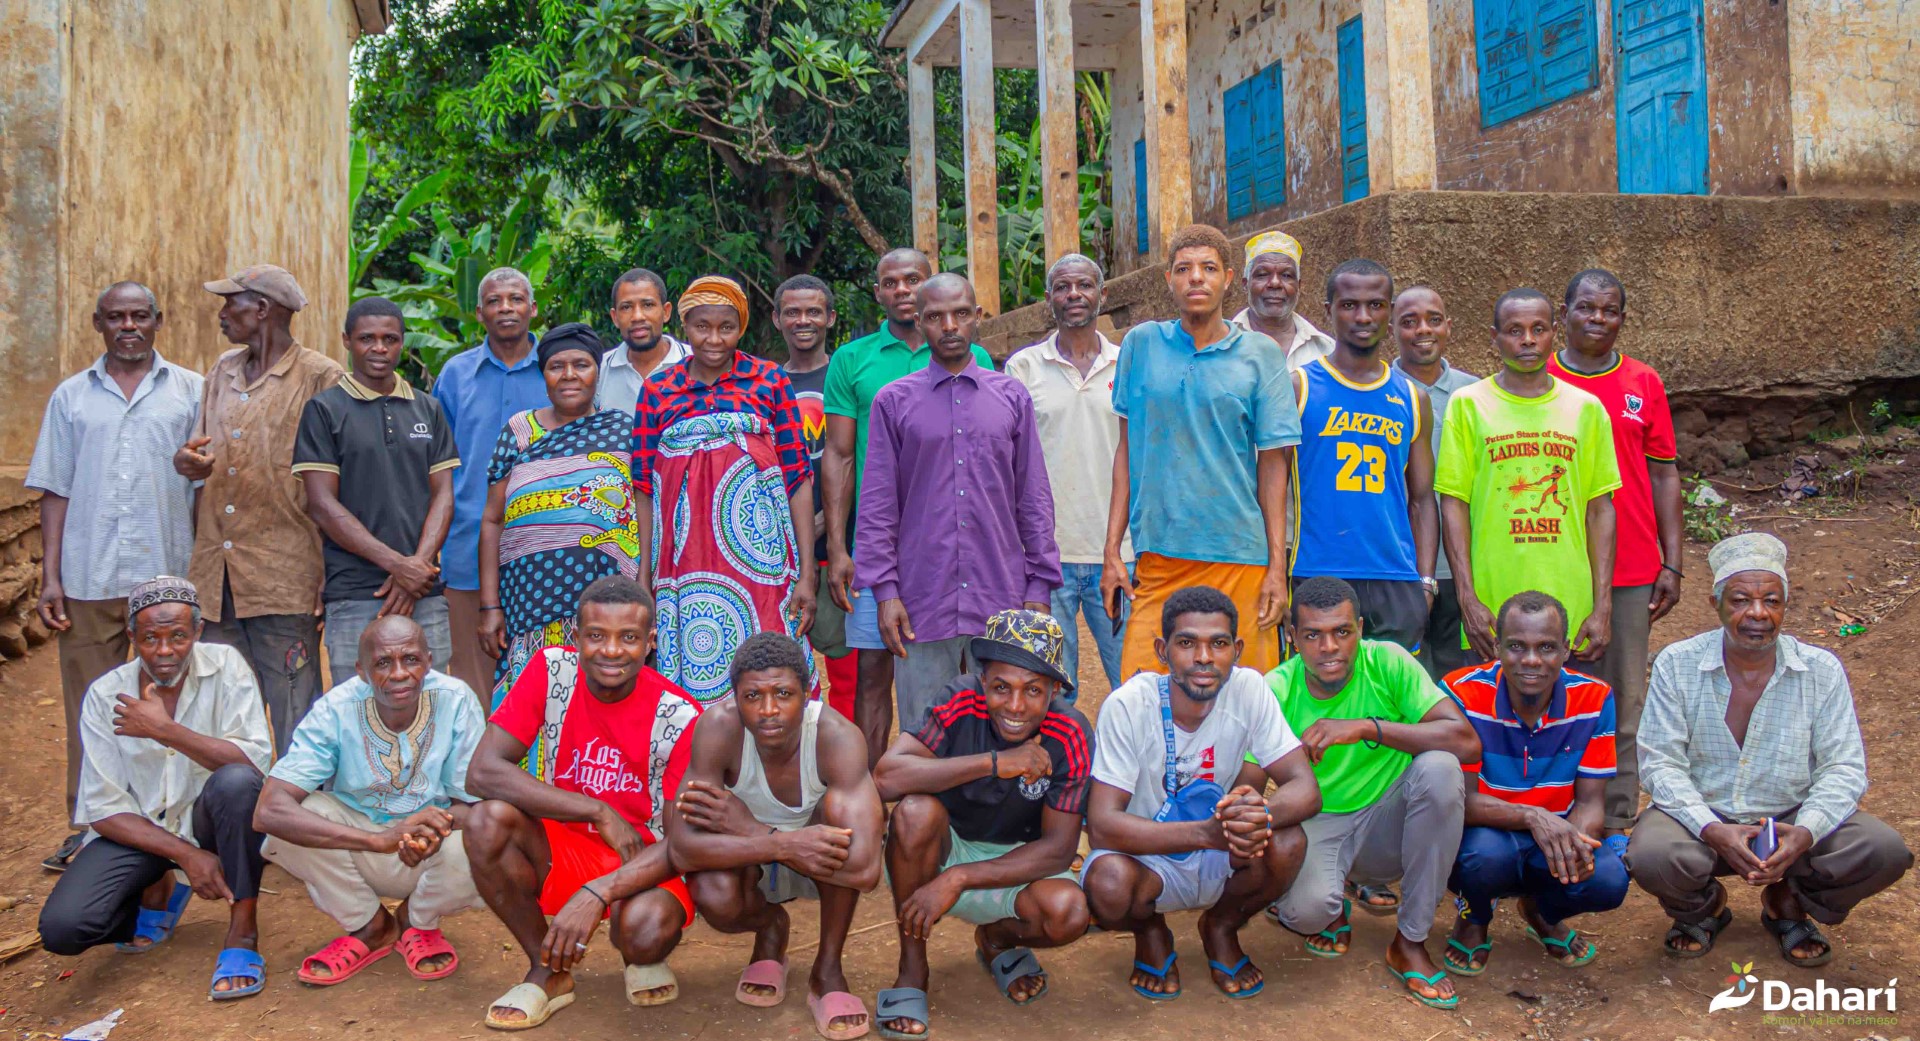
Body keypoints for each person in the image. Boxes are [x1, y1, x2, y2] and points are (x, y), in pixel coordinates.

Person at [1633, 533, 1913, 968]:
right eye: (1741, 600)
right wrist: (1710, 828)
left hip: (1791, 817)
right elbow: (1660, 762)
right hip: (1704, 819)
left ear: (1785, 607)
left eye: (1771, 601)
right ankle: (1703, 907)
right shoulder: (1678, 663)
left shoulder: (1820, 670)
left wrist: (1808, 831)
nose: (1758, 613)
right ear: (1715, 604)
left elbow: (1844, 768)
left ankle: (1789, 901)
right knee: (1651, 854)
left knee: (1883, 850)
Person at [464, 576, 704, 1029]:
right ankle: (547, 970)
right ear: (576, 637)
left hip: (643, 857)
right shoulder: (551, 670)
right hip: (565, 847)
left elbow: (681, 845)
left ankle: (636, 951)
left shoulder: (679, 716)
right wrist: (596, 809)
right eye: (596, 635)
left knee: (644, 933)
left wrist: (600, 891)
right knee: (484, 822)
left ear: (650, 642)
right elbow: (482, 772)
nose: (611, 650)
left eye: (628, 637)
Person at [29, 281, 203, 871]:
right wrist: (51, 577)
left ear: (158, 320)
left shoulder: (191, 392)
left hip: (166, 582)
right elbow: (55, 489)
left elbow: (205, 487)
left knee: (174, 706)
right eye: (116, 317)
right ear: (97, 324)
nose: (129, 326)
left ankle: (175, 824)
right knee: (90, 707)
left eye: (139, 316)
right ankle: (89, 826)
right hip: (89, 577)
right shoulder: (71, 397)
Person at [38, 577, 274, 1001]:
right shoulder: (106, 695)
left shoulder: (227, 666)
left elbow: (255, 765)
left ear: (197, 632)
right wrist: (186, 855)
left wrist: (166, 731)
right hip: (143, 832)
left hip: (210, 820)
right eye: (150, 638)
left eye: (178, 636)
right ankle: (159, 886)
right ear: (132, 637)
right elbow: (104, 809)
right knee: (64, 929)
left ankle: (242, 931)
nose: (165, 650)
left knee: (238, 783)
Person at [1081, 586, 1319, 1002]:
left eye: (1219, 644)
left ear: (1237, 650)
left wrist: (1257, 816)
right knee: (1108, 883)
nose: (1204, 657)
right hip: (1146, 856)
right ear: (1162, 650)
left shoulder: (1249, 689)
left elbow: (1305, 789)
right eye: (1187, 643)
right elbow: (1102, 826)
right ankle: (1149, 929)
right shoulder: (1129, 705)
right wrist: (1208, 833)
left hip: (1220, 848)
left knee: (1287, 841)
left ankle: (1221, 926)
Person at [871, 609, 1095, 1036]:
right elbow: (886, 778)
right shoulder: (960, 700)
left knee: (1068, 912)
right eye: (1001, 687)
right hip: (947, 845)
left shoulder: (1070, 732)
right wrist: (994, 763)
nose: (1015, 706)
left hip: (1020, 861)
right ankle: (912, 968)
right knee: (915, 813)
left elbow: (1058, 851)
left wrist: (958, 878)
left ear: (1054, 691)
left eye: (1034, 690)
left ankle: (997, 939)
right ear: (983, 679)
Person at [856, 273, 1061, 735]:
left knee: (1008, 727)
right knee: (924, 731)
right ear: (919, 322)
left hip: (1002, 594)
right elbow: (878, 507)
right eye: (935, 317)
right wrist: (886, 594)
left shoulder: (1011, 396)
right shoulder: (893, 402)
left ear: (977, 317)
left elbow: (1033, 498)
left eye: (961, 314)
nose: (949, 326)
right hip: (922, 598)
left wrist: (1038, 588)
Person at [1265, 577, 1480, 1009]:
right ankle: (1331, 900)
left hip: (1389, 820)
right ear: (1292, 637)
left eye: (1342, 632)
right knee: (1307, 914)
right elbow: (1249, 783)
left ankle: (1410, 941)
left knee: (1440, 769)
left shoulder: (1388, 662)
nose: (1329, 647)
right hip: (1319, 822)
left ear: (1360, 629)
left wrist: (1367, 728)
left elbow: (1465, 741)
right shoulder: (1276, 689)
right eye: (1313, 635)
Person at [1103, 225, 1300, 678]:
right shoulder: (1141, 344)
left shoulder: (1261, 354)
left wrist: (1276, 567)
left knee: (1247, 692)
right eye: (1183, 269)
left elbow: (1275, 465)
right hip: (1159, 555)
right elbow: (1127, 451)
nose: (1196, 277)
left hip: (1240, 555)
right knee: (1142, 688)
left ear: (1228, 279)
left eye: (1208, 268)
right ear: (1168, 280)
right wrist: (1112, 549)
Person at [822, 248, 995, 762]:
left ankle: (958, 783)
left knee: (963, 666)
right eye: (891, 281)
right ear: (878, 292)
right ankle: (869, 787)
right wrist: (840, 547)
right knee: (873, 671)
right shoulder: (852, 360)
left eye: (912, 279)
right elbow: (840, 455)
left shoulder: (977, 359)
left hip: (953, 547)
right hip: (878, 543)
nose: (901, 288)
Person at [668, 633, 885, 1041]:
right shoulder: (718, 728)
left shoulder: (836, 736)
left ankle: (827, 969)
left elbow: (865, 870)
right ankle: (769, 927)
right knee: (713, 892)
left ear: (806, 693)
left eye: (783, 694)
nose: (768, 710)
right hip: (753, 860)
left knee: (841, 820)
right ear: (735, 698)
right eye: (753, 697)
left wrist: (754, 830)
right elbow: (682, 847)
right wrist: (779, 843)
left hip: (821, 863)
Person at [255, 616, 486, 986]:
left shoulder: (456, 700)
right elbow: (269, 809)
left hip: (430, 847)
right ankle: (369, 925)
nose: (399, 674)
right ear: (361, 670)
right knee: (294, 820)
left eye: (411, 659)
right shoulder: (336, 709)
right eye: (382, 663)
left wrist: (435, 826)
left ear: (429, 661)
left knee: (490, 829)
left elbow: (473, 802)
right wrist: (378, 840)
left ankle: (416, 920)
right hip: (360, 842)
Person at [176, 264, 343, 754]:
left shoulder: (320, 377)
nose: (222, 314)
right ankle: (233, 804)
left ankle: (294, 805)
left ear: (264, 309)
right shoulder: (221, 371)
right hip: (216, 577)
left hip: (285, 576)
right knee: (221, 717)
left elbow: (339, 483)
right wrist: (186, 462)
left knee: (296, 717)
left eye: (231, 303)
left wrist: (328, 569)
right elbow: (200, 450)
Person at [1545, 269, 1683, 856]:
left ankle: (1619, 815)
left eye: (1610, 310)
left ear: (1623, 319)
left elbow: (1664, 473)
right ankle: (1550, 805)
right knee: (1552, 690)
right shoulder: (1540, 378)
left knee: (1623, 696)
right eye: (1586, 308)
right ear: (1564, 314)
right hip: (1551, 561)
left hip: (1630, 566)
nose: (1597, 319)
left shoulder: (1642, 382)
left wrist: (1672, 562)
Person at [633, 275, 818, 705]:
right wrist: (645, 575)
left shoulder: (769, 381)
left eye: (726, 327)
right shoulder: (658, 390)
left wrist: (807, 572)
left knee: (770, 651)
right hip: (684, 561)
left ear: (742, 328)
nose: (714, 339)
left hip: (761, 557)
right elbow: (644, 485)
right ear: (684, 327)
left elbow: (796, 476)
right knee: (694, 660)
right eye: (702, 327)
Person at [1440, 591, 1628, 976]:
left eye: (1546, 647)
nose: (1531, 660)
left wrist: (1573, 845)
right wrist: (1532, 816)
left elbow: (1591, 802)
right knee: (1480, 859)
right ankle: (1475, 915)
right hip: (1485, 831)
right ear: (1496, 646)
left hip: (1557, 830)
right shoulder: (1461, 692)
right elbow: (1462, 801)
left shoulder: (1594, 698)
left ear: (1566, 650)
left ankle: (1542, 909)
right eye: (1516, 646)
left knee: (1607, 879)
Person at [1433, 288, 1620, 667]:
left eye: (1538, 329)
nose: (1528, 340)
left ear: (1555, 332)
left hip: (1571, 605)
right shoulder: (1468, 405)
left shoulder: (1586, 409)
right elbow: (1453, 505)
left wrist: (1602, 605)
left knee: (1569, 705)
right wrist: (1467, 599)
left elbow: (1600, 511)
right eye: (1515, 330)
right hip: (1492, 607)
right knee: (1491, 704)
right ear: (1495, 337)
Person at [293, 297, 458, 688]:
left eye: (390, 339)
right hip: (354, 594)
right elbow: (321, 504)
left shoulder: (428, 408)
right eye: (367, 338)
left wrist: (417, 567)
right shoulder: (324, 410)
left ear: (402, 342)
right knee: (358, 707)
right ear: (347, 341)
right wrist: (399, 566)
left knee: (432, 704)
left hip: (424, 593)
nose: (379, 348)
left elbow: (443, 496)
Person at [477, 322, 641, 708]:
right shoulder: (519, 430)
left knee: (602, 697)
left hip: (606, 595)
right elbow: (492, 520)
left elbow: (642, 509)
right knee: (531, 701)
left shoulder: (622, 429)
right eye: (556, 366)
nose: (569, 375)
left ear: (597, 371)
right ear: (543, 374)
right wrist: (489, 605)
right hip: (527, 596)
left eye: (581, 365)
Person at [1289, 259, 1437, 657]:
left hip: (1394, 576)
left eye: (1375, 305)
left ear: (1391, 312)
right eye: (1349, 305)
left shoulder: (1413, 398)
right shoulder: (1299, 386)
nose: (1363, 316)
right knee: (1322, 686)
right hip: (1318, 571)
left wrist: (1425, 583)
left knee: (1392, 690)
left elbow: (1423, 499)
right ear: (1329, 310)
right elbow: (1270, 488)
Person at [1006, 254, 1131, 692]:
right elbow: (1012, 461)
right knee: (1052, 687)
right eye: (1062, 287)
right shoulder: (1023, 368)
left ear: (1103, 294)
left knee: (1132, 680)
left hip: (1118, 553)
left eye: (1084, 285)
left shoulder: (1127, 363)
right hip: (1045, 556)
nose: (1074, 294)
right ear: (1049, 298)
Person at [432, 267, 552, 702]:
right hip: (465, 547)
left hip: (544, 547)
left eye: (516, 299)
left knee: (544, 673)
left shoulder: (557, 369)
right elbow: (436, 465)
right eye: (495, 301)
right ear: (479, 312)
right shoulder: (455, 375)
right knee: (471, 679)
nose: (506, 308)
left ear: (532, 309)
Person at [774, 274, 857, 716]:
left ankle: (848, 751)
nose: (803, 320)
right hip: (784, 551)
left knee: (848, 671)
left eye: (813, 311)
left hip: (843, 546)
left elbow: (856, 456)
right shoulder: (767, 383)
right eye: (792, 312)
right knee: (783, 668)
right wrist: (802, 527)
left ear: (831, 317)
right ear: (777, 319)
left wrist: (829, 525)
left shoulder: (845, 374)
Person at [1391, 285, 1480, 681]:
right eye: (1409, 322)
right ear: (1392, 328)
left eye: (1434, 320)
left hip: (1461, 568)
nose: (1423, 330)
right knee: (1405, 679)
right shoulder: (1378, 389)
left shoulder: (1475, 393)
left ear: (1449, 327)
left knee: (1458, 679)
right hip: (1398, 565)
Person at [1231, 231, 1335, 370]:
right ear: (1246, 284)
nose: (1275, 283)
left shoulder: (1326, 350)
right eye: (1262, 274)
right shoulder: (1224, 345)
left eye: (1286, 275)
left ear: (1299, 286)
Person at [597, 268, 690, 417]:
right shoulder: (599, 372)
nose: (637, 316)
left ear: (666, 312)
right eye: (626, 307)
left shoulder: (695, 363)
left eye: (647, 305)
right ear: (615, 317)